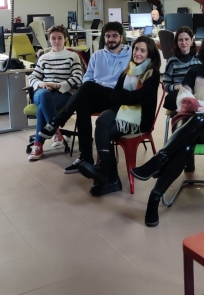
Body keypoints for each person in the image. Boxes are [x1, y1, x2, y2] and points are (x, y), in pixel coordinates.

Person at [131, 32, 204, 227]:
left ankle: (159, 159)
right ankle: (154, 198)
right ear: (203, 51)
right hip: (191, 120)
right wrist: (200, 108)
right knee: (186, 148)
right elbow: (182, 97)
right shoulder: (195, 71)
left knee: (200, 122)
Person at [40, 21, 131, 174]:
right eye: (108, 36)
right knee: (83, 105)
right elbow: (87, 77)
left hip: (117, 96)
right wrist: (94, 88)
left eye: (114, 35)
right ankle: (85, 156)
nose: (111, 39)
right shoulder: (97, 55)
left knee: (87, 87)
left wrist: (93, 87)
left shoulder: (130, 54)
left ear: (121, 37)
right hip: (98, 95)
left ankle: (57, 121)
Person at [76, 36, 161, 196]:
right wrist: (128, 96)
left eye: (143, 50)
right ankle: (105, 171)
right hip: (122, 111)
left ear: (149, 53)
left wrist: (126, 96)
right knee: (102, 120)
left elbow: (139, 97)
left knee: (105, 129)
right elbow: (115, 97)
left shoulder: (152, 73)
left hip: (140, 119)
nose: (138, 53)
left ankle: (110, 177)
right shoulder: (127, 71)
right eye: (136, 49)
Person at [27, 25, 84, 161]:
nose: (56, 41)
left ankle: (38, 144)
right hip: (42, 92)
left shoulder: (72, 56)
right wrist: (41, 84)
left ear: (65, 39)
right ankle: (55, 130)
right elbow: (33, 77)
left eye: (60, 38)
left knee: (42, 107)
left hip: (63, 93)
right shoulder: (44, 57)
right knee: (45, 95)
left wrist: (57, 85)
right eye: (53, 38)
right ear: (49, 39)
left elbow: (77, 78)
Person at [162, 26, 202, 172]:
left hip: (195, 95)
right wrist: (176, 87)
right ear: (176, 42)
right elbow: (166, 85)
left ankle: (184, 153)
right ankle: (185, 154)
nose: (183, 42)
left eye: (186, 39)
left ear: (192, 41)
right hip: (178, 96)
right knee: (179, 105)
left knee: (187, 114)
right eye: (180, 40)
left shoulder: (199, 59)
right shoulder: (172, 61)